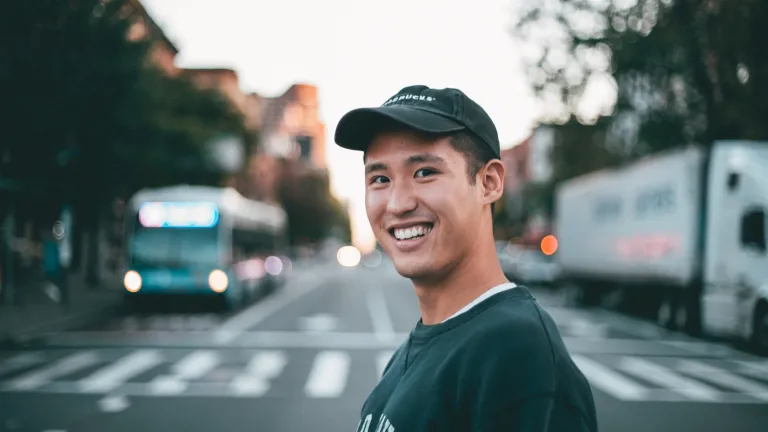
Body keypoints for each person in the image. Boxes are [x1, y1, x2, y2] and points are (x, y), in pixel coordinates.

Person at [334, 85, 598, 431]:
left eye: (425, 172)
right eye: (380, 179)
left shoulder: (516, 353)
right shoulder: (415, 350)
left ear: (488, 183)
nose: (397, 203)